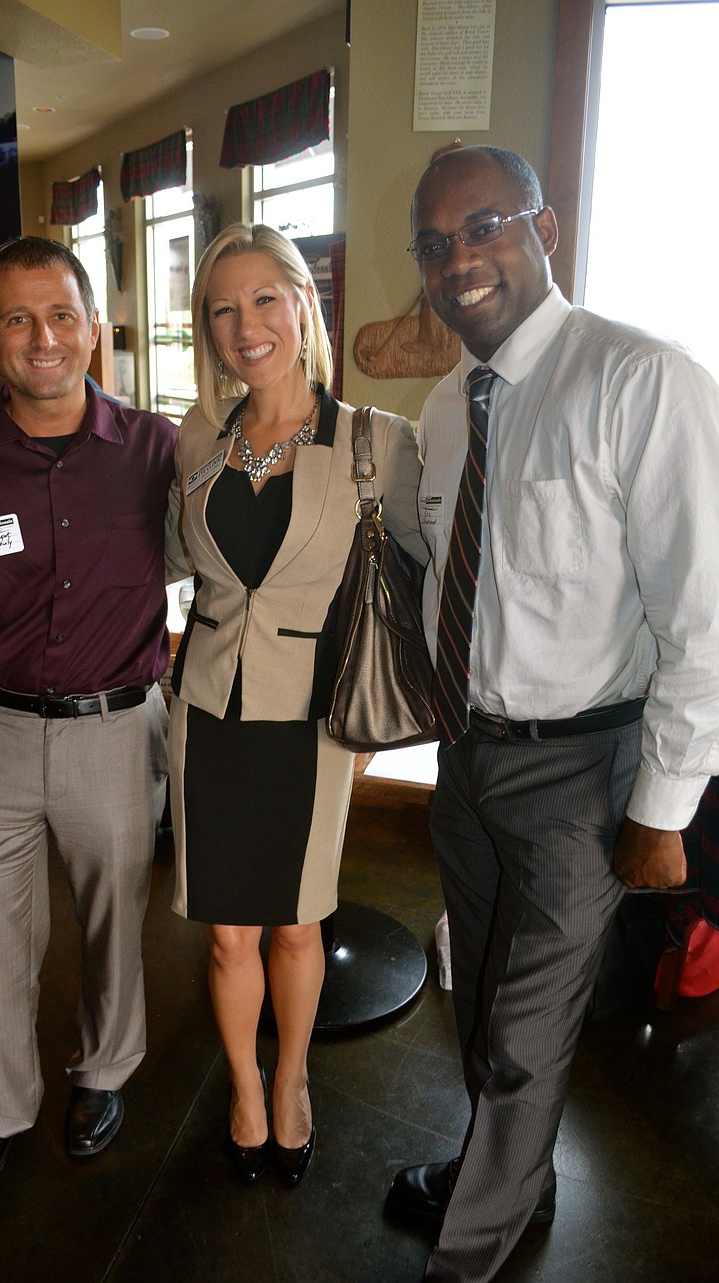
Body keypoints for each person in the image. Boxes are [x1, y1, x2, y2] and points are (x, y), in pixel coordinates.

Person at [386, 146, 719, 1282]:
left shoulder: (642, 380)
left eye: (482, 226)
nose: (458, 259)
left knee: (528, 1030)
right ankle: (510, 1175)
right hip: (468, 755)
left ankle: (468, 1251)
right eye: (435, 243)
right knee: (476, 992)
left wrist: (663, 803)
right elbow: (435, 563)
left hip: (585, 765)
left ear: (546, 227)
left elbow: (702, 616)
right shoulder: (442, 406)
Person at [0, 237, 177, 1199]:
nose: (42, 338)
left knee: (113, 921)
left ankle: (103, 1072)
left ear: (93, 326)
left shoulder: (157, 450)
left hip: (115, 725)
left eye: (61, 315)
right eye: (17, 318)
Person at [166, 223, 425, 1185]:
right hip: (206, 715)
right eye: (223, 310)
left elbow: (424, 579)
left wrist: (380, 729)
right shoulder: (197, 437)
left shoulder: (374, 443)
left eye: (264, 299)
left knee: (295, 922)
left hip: (314, 721)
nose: (246, 325)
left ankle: (292, 1083)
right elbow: (163, 557)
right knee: (228, 928)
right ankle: (244, 1086)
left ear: (303, 306)